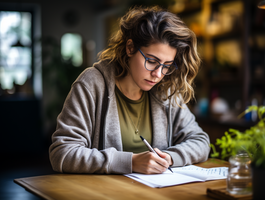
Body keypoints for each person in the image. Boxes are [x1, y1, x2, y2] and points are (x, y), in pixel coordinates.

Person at [49, 5, 210, 175]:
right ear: (130, 48)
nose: (157, 74)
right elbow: (62, 153)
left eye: (167, 66)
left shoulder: (165, 90)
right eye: (152, 61)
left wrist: (169, 157)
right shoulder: (92, 84)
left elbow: (201, 142)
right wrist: (130, 162)